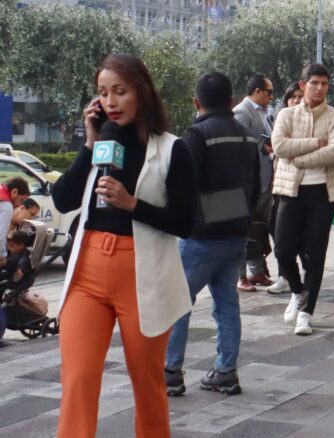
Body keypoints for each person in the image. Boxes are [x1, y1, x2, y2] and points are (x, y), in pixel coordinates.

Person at [52, 53, 198, 438]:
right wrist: (89, 144)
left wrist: (133, 204)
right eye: (103, 93)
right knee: (77, 378)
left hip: (142, 274)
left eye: (120, 91)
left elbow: (186, 223)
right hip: (87, 272)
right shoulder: (101, 143)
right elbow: (63, 199)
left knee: (147, 382)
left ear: (142, 92)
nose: (110, 102)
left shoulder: (172, 148)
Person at [164, 72, 261, 397]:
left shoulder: (197, 135)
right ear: (232, 101)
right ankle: (225, 371)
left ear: (196, 103)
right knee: (227, 305)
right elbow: (257, 187)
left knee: (178, 303)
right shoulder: (248, 136)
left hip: (201, 236)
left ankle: (171, 372)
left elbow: (181, 186)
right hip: (237, 232)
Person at [271, 63, 334, 336]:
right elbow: (280, 147)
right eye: (314, 83)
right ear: (303, 85)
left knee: (315, 253)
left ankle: (306, 312)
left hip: (323, 193)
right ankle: (296, 291)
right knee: (282, 250)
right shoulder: (286, 114)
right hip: (290, 191)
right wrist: (316, 142)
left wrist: (299, 158)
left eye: (324, 83)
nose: (320, 88)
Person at [262, 81, 307, 296]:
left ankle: (304, 275)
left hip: (302, 187)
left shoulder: (309, 122)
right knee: (280, 236)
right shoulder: (280, 120)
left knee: (302, 237)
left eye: (300, 97)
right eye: (293, 97)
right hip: (279, 187)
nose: (296, 101)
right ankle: (284, 276)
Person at [232, 74, 276, 292]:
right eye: (269, 92)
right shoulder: (242, 112)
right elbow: (239, 149)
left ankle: (257, 271)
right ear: (257, 91)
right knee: (245, 229)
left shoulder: (265, 113)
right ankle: (240, 276)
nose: (271, 97)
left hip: (267, 181)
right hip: (250, 182)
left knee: (259, 228)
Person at [0, 177, 31, 263]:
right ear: (14, 192)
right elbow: (1, 236)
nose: (19, 205)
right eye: (21, 199)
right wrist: (2, 255)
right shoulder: (6, 206)